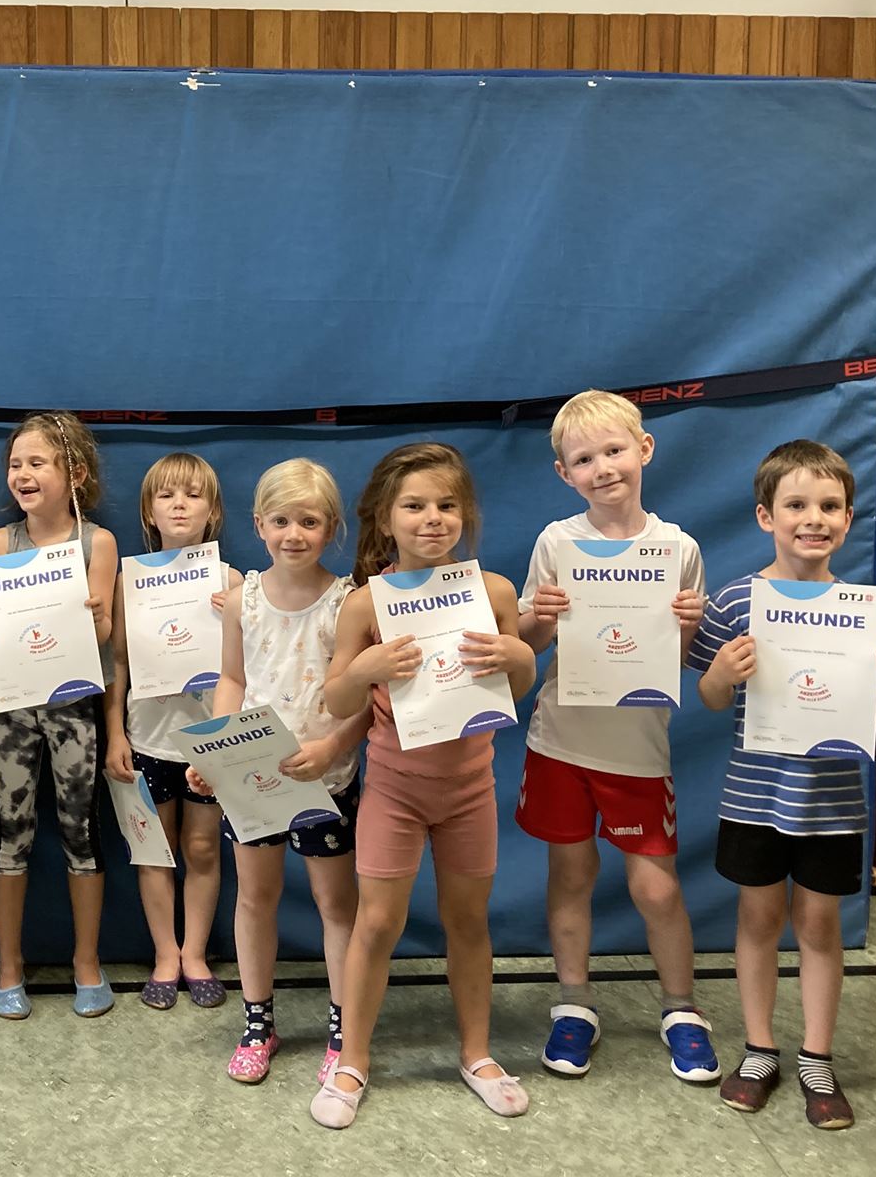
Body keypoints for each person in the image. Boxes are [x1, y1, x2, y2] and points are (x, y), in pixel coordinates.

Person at [690, 440, 876, 1130]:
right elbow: (708, 697)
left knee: (820, 925)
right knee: (758, 919)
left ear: (847, 519)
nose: (812, 518)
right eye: (796, 505)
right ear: (767, 516)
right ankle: (760, 1049)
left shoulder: (859, 611)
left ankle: (817, 1056)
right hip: (753, 797)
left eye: (829, 506)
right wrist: (722, 673)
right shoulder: (735, 601)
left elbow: (868, 716)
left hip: (833, 802)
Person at [309, 442, 537, 1129]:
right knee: (377, 922)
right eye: (414, 506)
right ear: (385, 519)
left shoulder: (494, 593)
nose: (432, 518)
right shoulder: (365, 604)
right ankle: (352, 1060)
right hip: (394, 791)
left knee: (468, 921)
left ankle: (477, 1053)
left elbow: (516, 688)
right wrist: (364, 669)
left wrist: (519, 654)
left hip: (469, 790)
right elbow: (337, 701)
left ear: (465, 514)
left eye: (446, 505)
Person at [513, 391, 716, 1083]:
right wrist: (541, 617)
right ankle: (574, 1003)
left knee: (656, 890)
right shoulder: (556, 542)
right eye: (583, 459)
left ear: (644, 449)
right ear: (564, 473)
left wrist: (688, 624)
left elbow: (677, 661)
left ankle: (682, 1010)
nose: (602, 468)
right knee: (570, 876)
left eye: (614, 451)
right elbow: (527, 645)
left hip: (637, 750)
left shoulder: (679, 548)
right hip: (562, 742)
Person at [191, 458, 362, 1084]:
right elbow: (231, 678)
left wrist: (333, 747)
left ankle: (345, 1028)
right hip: (254, 782)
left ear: (331, 528)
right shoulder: (243, 601)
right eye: (282, 521)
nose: (295, 534)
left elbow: (364, 701)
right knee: (255, 898)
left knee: (335, 903)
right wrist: (213, 752)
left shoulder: (348, 602)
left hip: (326, 781)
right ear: (259, 524)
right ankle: (258, 1022)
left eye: (309, 522)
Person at [0, 412, 118, 1019]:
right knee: (13, 834)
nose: (23, 474)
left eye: (38, 463)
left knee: (81, 832)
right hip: (11, 711)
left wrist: (96, 618)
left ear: (74, 473)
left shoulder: (97, 543)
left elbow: (105, 636)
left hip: (74, 710)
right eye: (15, 464)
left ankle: (87, 962)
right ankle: (9, 967)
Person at [103, 452, 238, 1012]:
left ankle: (195, 954)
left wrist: (236, 614)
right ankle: (165, 954)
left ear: (213, 511)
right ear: (149, 511)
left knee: (203, 847)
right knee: (154, 850)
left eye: (192, 494)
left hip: (207, 740)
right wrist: (115, 733)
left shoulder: (231, 582)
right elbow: (117, 664)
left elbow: (247, 668)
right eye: (166, 495)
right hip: (147, 738)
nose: (179, 505)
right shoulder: (127, 581)